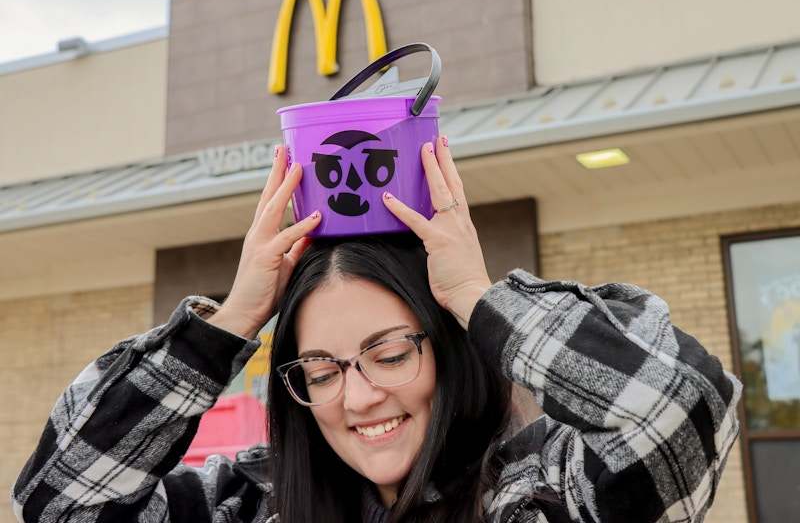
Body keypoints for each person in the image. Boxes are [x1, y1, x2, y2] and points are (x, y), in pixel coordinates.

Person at [11, 136, 741, 523]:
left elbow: (677, 405)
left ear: (453, 347)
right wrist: (229, 323)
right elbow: (63, 502)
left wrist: (480, 298)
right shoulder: (243, 505)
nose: (357, 398)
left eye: (388, 354)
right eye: (321, 370)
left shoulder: (544, 496)